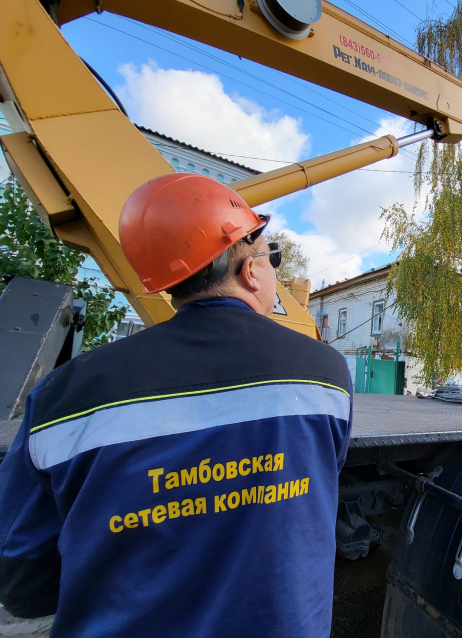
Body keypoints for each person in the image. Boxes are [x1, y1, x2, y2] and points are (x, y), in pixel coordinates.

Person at [0, 173, 353, 637]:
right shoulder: (325, 374)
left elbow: (21, 581)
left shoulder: (64, 396)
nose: (274, 271)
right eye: (272, 258)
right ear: (249, 270)